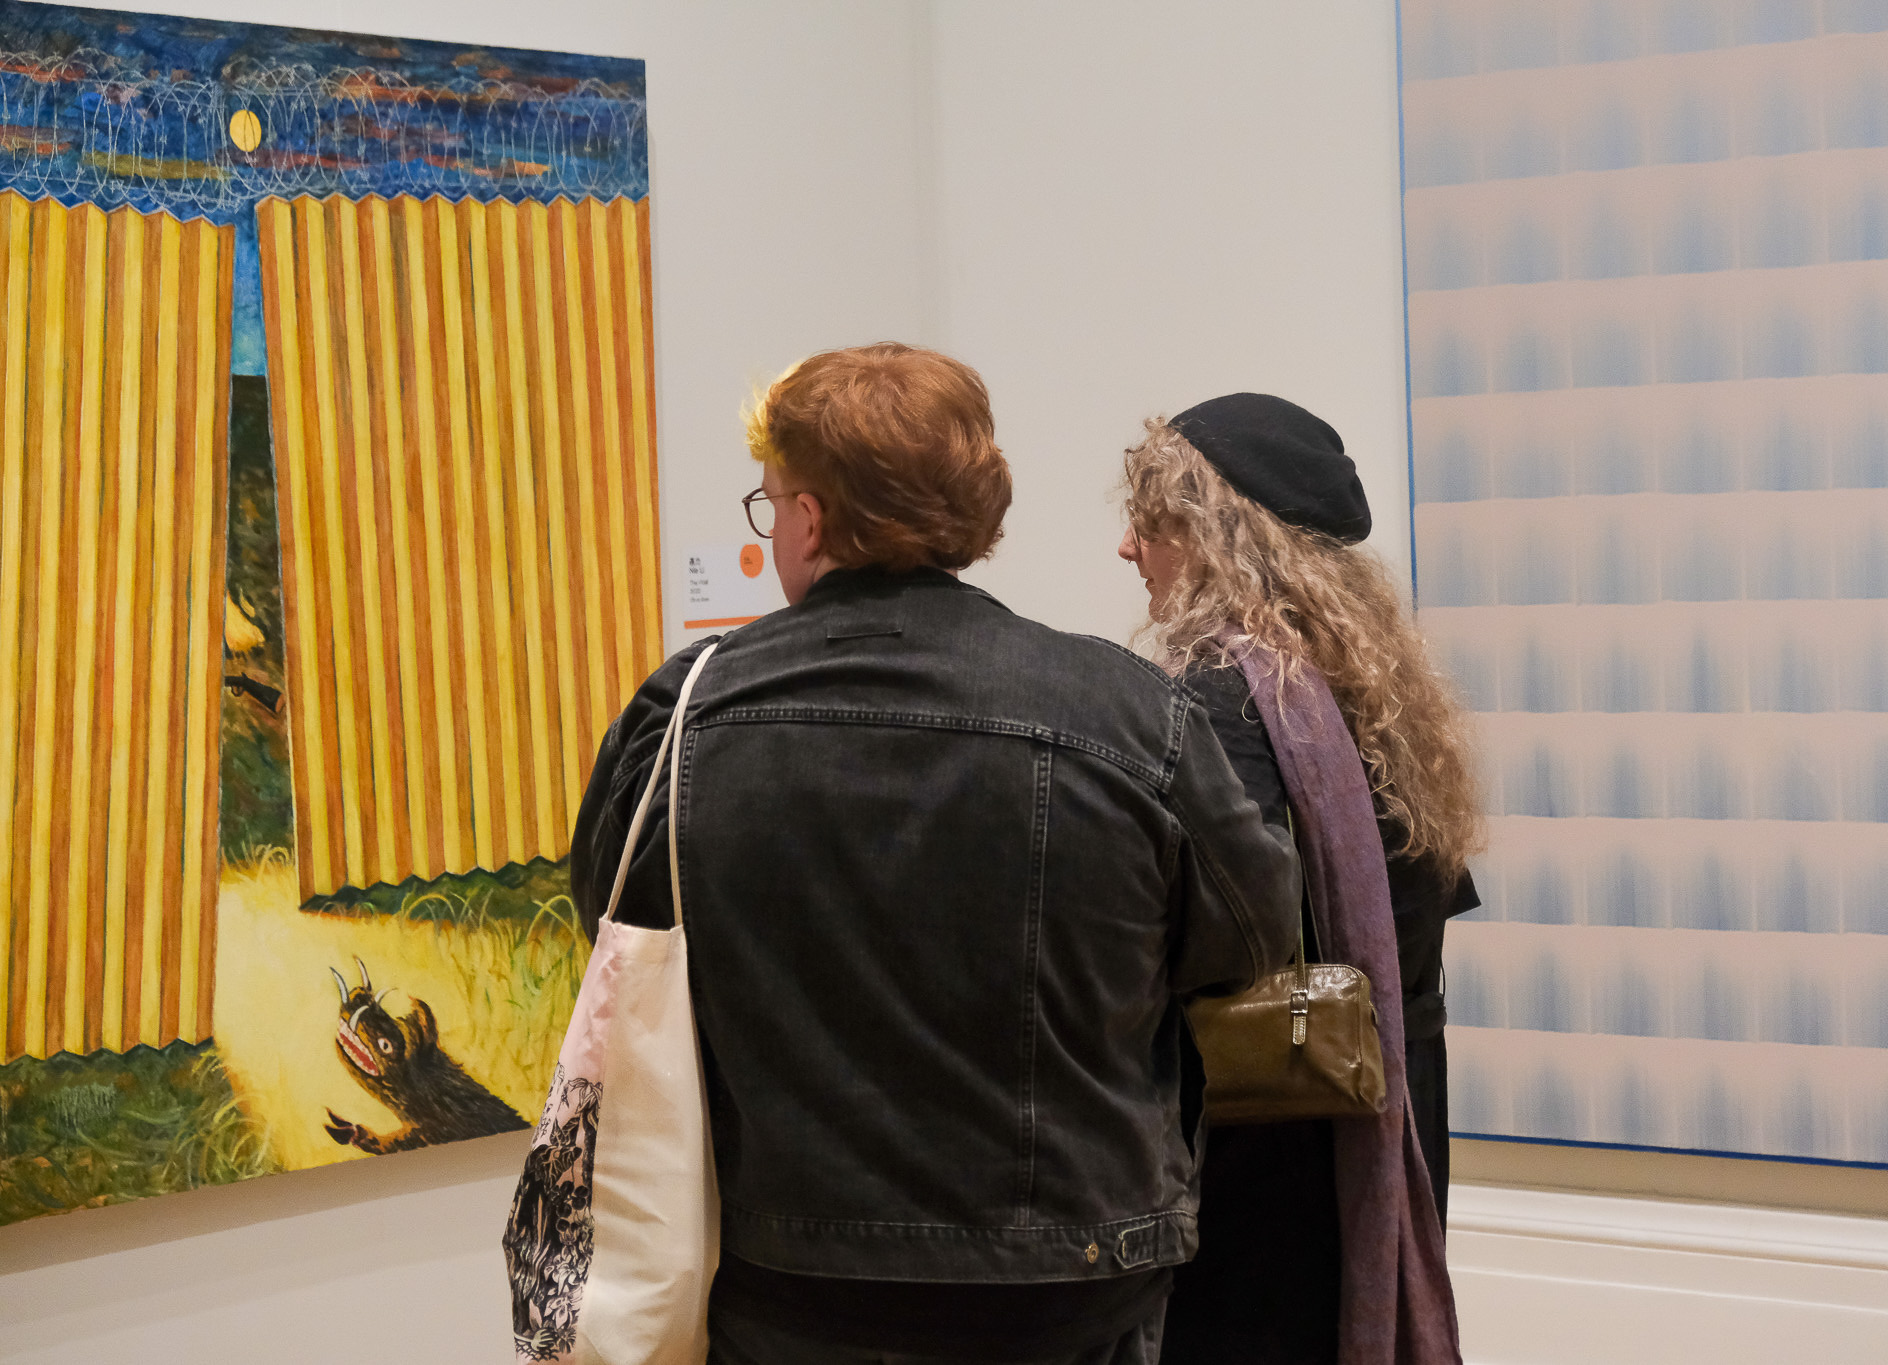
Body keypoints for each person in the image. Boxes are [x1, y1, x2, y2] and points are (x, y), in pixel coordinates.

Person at [569, 345, 1302, 1365]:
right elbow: (1253, 935)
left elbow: (613, 936)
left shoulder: (686, 714)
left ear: (810, 518)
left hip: (789, 1280)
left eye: (769, 501)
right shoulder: (1133, 713)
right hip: (1071, 1279)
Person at [1116, 394, 1481, 1365]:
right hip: (1385, 1125)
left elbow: (1183, 938)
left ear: (1213, 535)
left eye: (1149, 522)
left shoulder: (1218, 710)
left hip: (1272, 1161)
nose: (1126, 548)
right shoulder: (1377, 700)